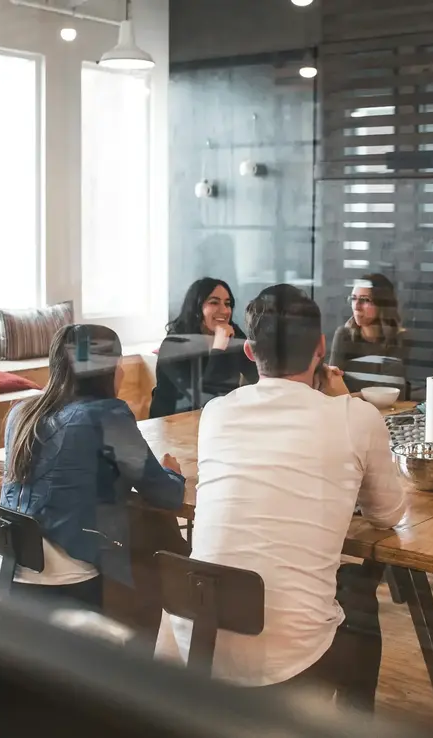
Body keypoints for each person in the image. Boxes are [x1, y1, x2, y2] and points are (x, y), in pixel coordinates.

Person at [171, 284, 407, 711]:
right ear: (321, 348)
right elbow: (389, 513)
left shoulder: (217, 413)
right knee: (359, 599)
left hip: (197, 639)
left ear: (248, 351)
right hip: (289, 658)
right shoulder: (356, 416)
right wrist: (344, 403)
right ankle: (357, 721)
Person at [0, 324, 187, 611]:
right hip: (66, 579)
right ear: (107, 369)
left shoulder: (20, 414)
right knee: (155, 535)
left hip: (11, 570)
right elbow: (166, 495)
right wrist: (173, 472)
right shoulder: (107, 416)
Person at [149, 278, 259, 418]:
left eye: (227, 303)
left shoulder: (233, 333)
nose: (224, 310)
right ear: (196, 308)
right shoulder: (173, 345)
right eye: (214, 302)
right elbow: (206, 399)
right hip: (173, 424)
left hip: (219, 419)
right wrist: (219, 349)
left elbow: (258, 376)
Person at [329, 273, 410, 395]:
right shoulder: (344, 335)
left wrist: (348, 396)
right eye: (353, 298)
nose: (356, 307)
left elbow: (388, 392)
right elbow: (332, 385)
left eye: (365, 300)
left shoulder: (399, 339)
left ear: (382, 304)